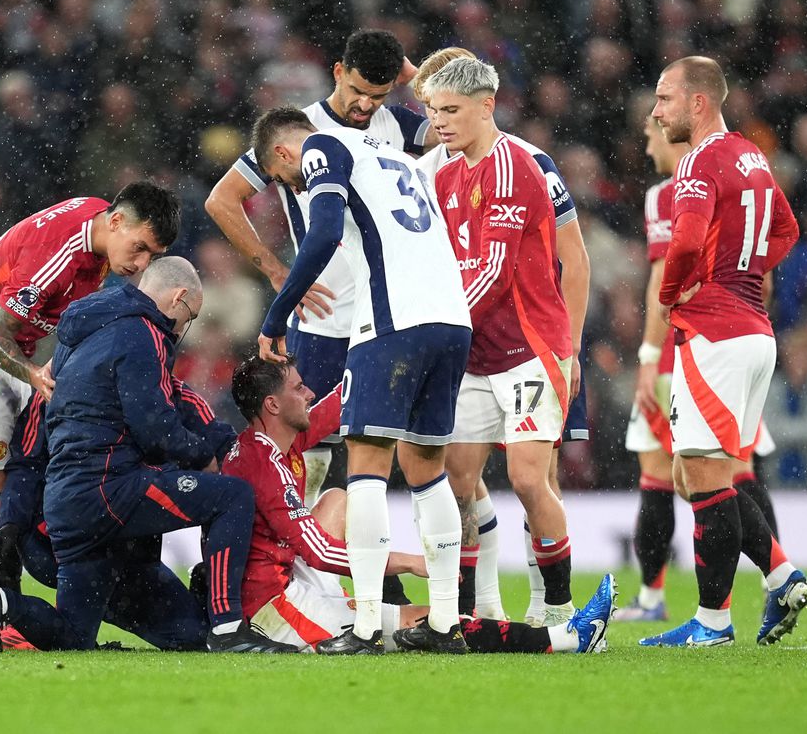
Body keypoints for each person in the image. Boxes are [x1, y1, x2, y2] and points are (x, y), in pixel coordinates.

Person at [0, 257, 297, 653]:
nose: (182, 329)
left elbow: (27, 457)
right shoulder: (146, 338)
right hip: (110, 496)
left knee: (76, 638)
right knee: (231, 497)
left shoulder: (65, 359)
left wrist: (10, 526)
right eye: (188, 317)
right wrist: (204, 455)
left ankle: (2, 603)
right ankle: (229, 629)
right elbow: (159, 427)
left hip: (68, 516)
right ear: (179, 298)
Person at [253, 106, 472, 654]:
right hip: (451, 319)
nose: (295, 187)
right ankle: (446, 621)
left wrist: (277, 315)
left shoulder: (322, 147)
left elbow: (323, 232)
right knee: (426, 468)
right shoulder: (394, 153)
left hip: (392, 321)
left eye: (287, 182)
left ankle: (369, 626)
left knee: (367, 471)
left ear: (285, 153)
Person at [224, 355, 617, 655]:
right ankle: (565, 638)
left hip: (287, 576)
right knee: (427, 621)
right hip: (276, 606)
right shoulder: (266, 464)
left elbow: (330, 411)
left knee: (337, 499)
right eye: (298, 388)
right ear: (272, 406)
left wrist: (386, 359)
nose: (308, 393)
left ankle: (377, 606)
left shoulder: (270, 443)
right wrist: (414, 562)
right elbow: (321, 552)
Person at [205, 29, 432, 506]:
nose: (365, 106)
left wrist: (417, 79)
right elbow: (222, 199)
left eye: (378, 95)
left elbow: (459, 123)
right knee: (310, 452)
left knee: (386, 452)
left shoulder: (396, 123)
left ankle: (371, 573)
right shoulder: (300, 131)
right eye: (357, 92)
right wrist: (274, 270)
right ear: (337, 72)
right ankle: (297, 569)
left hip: (389, 316)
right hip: (326, 320)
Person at [413, 48, 592, 624]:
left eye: (452, 110)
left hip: (528, 352)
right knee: (458, 482)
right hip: (473, 356)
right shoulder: (442, 168)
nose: (439, 122)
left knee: (527, 479)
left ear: (487, 107)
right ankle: (468, 611)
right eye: (435, 110)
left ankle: (559, 609)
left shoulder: (518, 166)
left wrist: (431, 332)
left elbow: (492, 271)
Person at [641, 56, 807, 647]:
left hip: (715, 335)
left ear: (698, 103)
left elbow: (685, 239)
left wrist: (673, 293)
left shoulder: (699, 160)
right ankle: (783, 575)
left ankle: (712, 623)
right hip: (754, 334)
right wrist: (743, 272)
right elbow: (786, 230)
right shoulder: (751, 155)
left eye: (664, 99)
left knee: (706, 478)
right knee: (702, 473)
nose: (655, 111)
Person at [0, 182, 179, 577]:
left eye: (153, 255)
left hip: (15, 354)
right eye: (140, 248)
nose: (143, 263)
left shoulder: (100, 227)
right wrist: (35, 376)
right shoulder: (55, 256)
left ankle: (11, 615)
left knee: (21, 474)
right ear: (115, 221)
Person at [619, 113, 786, 622]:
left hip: (688, 348)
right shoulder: (743, 176)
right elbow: (767, 276)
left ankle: (657, 598)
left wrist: (649, 356)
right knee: (740, 469)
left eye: (651, 131)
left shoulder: (670, 193)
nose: (649, 144)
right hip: (745, 334)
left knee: (664, 474)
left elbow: (659, 282)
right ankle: (773, 578)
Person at [0, 379, 237, 652]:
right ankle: (15, 612)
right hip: (69, 540)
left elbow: (227, 446)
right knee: (76, 636)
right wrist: (11, 522)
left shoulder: (170, 391)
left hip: (125, 546)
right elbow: (26, 466)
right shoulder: (54, 386)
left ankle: (13, 609)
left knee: (194, 637)